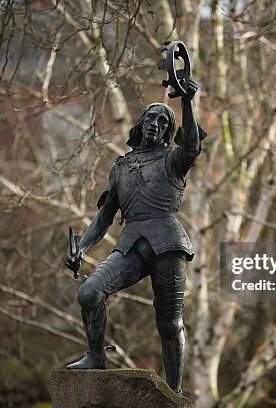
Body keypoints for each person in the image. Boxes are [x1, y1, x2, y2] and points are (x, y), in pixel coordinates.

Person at [64, 77, 205, 394]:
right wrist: (81, 247)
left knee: (169, 324)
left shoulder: (172, 159)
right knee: (89, 293)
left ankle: (174, 391)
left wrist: (186, 102)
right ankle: (95, 356)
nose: (155, 123)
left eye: (162, 121)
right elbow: (104, 216)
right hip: (131, 244)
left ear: (168, 131)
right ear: (141, 124)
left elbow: (192, 145)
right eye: (151, 118)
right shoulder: (121, 166)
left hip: (167, 243)